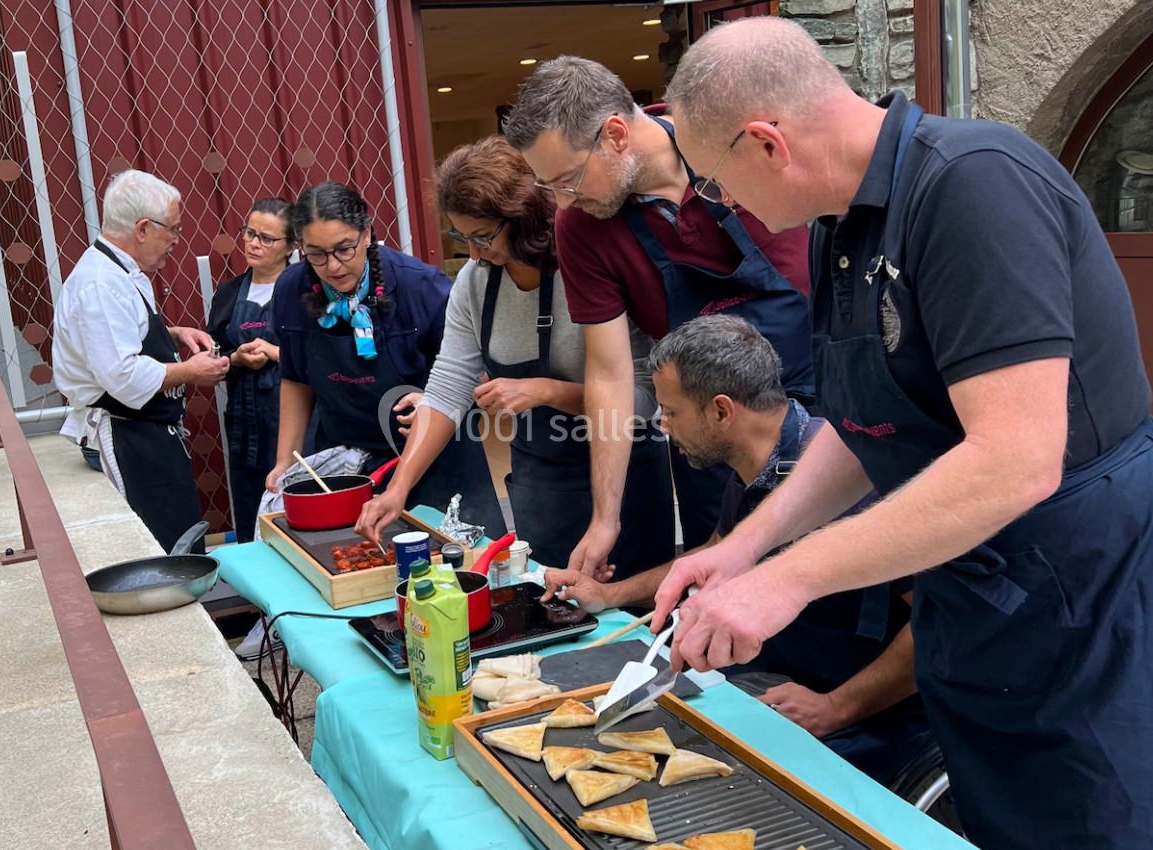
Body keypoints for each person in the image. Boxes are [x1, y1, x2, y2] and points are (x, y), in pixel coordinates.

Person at [656, 18, 1153, 849]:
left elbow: (1015, 460)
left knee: (1094, 821)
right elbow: (864, 425)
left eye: (712, 182)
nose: (716, 207)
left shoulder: (974, 185)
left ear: (765, 144)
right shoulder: (841, 225)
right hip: (968, 598)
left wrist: (790, 581)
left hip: (1080, 595)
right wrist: (748, 549)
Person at [543, 316, 928, 785]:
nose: (662, 426)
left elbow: (935, 624)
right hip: (773, 686)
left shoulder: (850, 483)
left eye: (671, 411)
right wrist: (610, 595)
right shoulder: (756, 463)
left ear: (722, 411)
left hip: (865, 717)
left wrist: (836, 707)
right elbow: (717, 553)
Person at [503, 57, 815, 579]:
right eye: (548, 186)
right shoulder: (580, 225)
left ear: (616, 135)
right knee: (724, 590)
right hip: (711, 444)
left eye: (567, 179)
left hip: (819, 405)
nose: (562, 200)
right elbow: (609, 370)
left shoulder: (732, 139)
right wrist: (606, 518)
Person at [355, 137, 674, 574]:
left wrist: (549, 392)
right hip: (540, 482)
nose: (472, 253)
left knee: (628, 626)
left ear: (523, 218)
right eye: (459, 236)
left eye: (483, 236)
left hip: (626, 484)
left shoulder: (589, 268)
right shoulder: (474, 283)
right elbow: (446, 389)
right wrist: (397, 488)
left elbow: (643, 398)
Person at [267, 182, 504, 536]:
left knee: (455, 564)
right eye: (316, 254)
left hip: (437, 456)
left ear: (366, 234)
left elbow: (477, 373)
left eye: (344, 249)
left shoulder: (421, 287)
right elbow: (296, 378)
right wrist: (286, 459)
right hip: (348, 459)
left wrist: (433, 399)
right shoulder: (290, 289)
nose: (333, 266)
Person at [53, 169, 227, 553]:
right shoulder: (101, 284)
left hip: (146, 432)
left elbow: (122, 336)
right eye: (173, 230)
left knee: (179, 537)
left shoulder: (119, 271)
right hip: (125, 435)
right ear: (143, 228)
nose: (176, 242)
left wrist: (174, 333)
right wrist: (191, 371)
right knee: (161, 550)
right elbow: (122, 375)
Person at [207, 198, 294, 542]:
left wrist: (276, 352)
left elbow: (325, 355)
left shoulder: (305, 290)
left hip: (292, 419)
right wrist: (236, 359)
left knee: (292, 507)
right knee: (249, 508)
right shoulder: (229, 292)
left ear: (291, 245)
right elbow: (214, 353)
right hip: (245, 425)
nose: (254, 243)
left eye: (267, 238)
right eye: (249, 233)